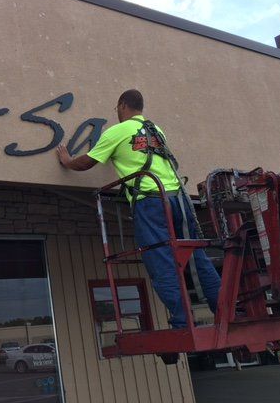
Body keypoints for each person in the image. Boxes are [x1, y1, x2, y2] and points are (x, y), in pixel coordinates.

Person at [56, 89, 220, 328]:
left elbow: (87, 162)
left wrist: (68, 161)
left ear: (123, 105)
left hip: (151, 202)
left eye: (117, 109)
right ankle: (224, 310)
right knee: (198, 257)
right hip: (179, 199)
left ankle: (183, 322)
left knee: (160, 261)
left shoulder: (117, 131)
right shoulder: (156, 130)